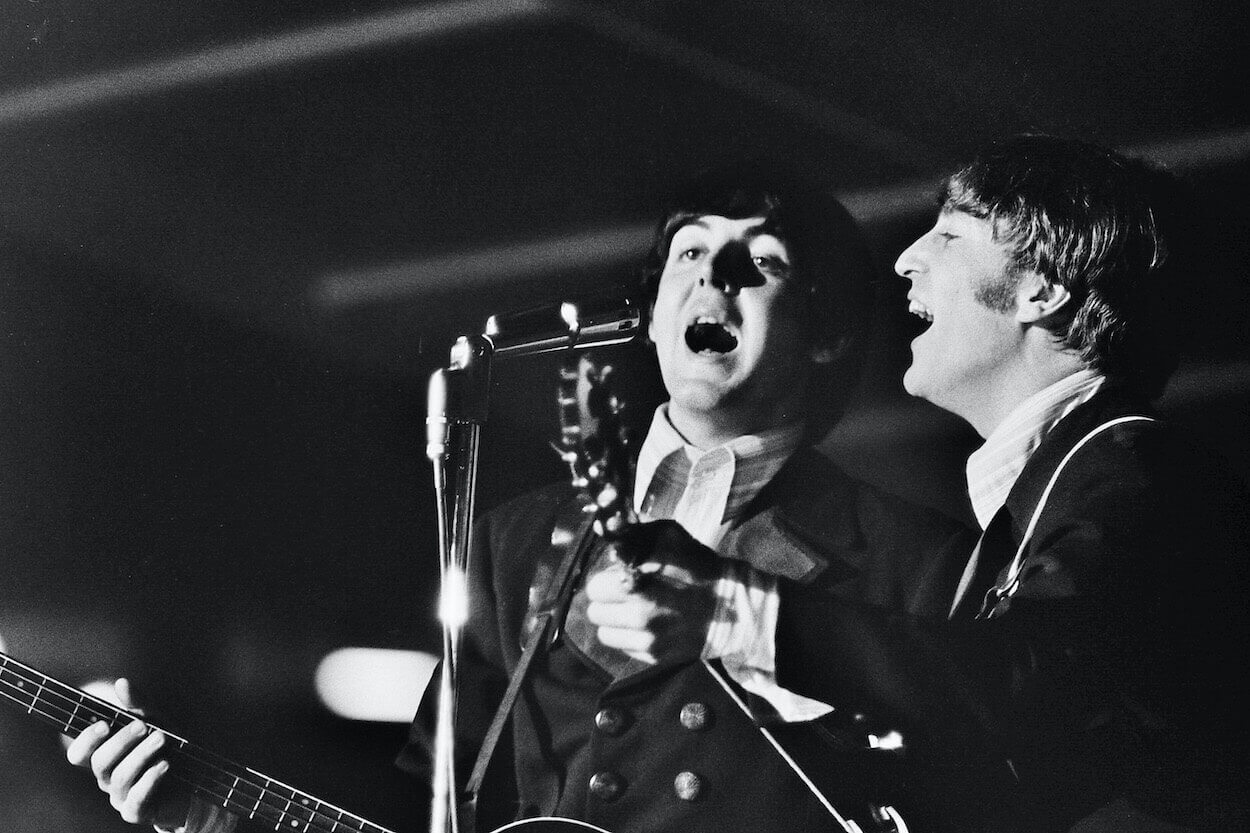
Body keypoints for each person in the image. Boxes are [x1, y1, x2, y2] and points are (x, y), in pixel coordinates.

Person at [64, 163, 971, 833]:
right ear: (652, 313)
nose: (712, 276)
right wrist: (207, 812)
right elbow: (422, 808)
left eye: (760, 262)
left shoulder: (914, 557)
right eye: (690, 250)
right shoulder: (515, 539)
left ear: (826, 336)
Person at [775, 135, 1250, 831]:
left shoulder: (1138, 476)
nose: (906, 259)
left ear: (1041, 289)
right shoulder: (1062, 489)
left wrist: (748, 616)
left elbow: (1021, 673)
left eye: (949, 233)